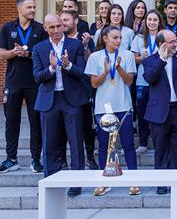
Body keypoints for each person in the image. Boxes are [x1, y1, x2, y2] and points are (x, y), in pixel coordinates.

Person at [32, 14, 88, 197]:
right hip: (49, 101)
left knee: (76, 143)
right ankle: (51, 184)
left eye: (59, 26)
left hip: (71, 99)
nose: (56, 30)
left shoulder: (75, 45)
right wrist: (51, 68)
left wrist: (68, 65)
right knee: (49, 144)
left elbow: (81, 73)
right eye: (52, 27)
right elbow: (37, 77)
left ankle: (76, 184)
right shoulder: (39, 48)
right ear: (45, 29)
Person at [84, 26, 139, 197]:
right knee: (104, 147)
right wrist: (106, 72)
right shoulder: (95, 57)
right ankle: (104, 182)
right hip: (103, 108)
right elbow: (94, 83)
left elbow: (130, 81)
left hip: (123, 106)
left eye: (120, 38)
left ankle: (134, 182)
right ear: (105, 38)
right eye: (114, 37)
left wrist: (119, 68)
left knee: (128, 145)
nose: (118, 41)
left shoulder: (128, 55)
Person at [143, 29, 177, 195]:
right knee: (160, 148)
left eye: (176, 40)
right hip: (159, 112)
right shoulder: (151, 60)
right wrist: (162, 60)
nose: (176, 44)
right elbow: (150, 78)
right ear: (161, 44)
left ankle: (175, 181)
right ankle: (161, 182)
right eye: (172, 41)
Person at [0, 0, 47, 174]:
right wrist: (14, 52)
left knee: (36, 122)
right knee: (11, 121)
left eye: (34, 7)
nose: (33, 10)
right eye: (29, 7)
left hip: (34, 83)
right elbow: (1, 53)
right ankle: (11, 159)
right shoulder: (7, 28)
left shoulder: (40, 29)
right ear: (19, 8)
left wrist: (27, 54)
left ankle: (36, 159)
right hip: (13, 82)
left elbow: (43, 54)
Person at [59, 10, 97, 171]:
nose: (63, 23)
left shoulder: (85, 39)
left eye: (66, 20)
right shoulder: (57, 41)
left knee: (87, 128)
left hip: (82, 89)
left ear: (75, 21)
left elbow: (91, 63)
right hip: (62, 91)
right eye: (61, 20)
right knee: (61, 129)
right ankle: (62, 160)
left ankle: (90, 158)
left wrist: (86, 46)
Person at [131, 9, 164, 155]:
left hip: (159, 80)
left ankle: (159, 142)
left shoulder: (164, 37)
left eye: (155, 20)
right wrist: (143, 58)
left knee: (158, 111)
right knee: (142, 111)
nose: (152, 22)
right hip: (142, 80)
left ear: (159, 22)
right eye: (149, 20)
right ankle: (143, 143)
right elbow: (133, 58)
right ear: (145, 22)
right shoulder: (139, 38)